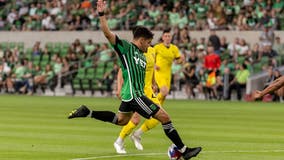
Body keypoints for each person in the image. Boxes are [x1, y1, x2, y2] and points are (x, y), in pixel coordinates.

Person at [67, 1, 201, 159]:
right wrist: (101, 15)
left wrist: (152, 82)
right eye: (148, 42)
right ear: (142, 40)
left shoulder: (143, 56)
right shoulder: (126, 48)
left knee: (121, 120)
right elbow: (107, 33)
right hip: (135, 95)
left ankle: (88, 112)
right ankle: (184, 151)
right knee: (165, 117)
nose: (149, 46)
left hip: (133, 95)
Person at [113, 46, 161, 154]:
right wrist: (119, 88)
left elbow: (151, 67)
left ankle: (137, 134)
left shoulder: (152, 50)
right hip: (136, 90)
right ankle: (119, 141)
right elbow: (121, 70)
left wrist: (154, 82)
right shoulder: (133, 52)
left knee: (159, 116)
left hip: (148, 90)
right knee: (135, 120)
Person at [154, 29, 184, 105]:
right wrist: (154, 65)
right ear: (162, 37)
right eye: (166, 36)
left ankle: (155, 114)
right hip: (159, 73)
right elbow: (150, 58)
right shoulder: (157, 47)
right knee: (164, 91)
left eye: (169, 36)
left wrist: (181, 60)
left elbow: (178, 61)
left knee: (164, 95)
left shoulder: (174, 48)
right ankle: (151, 104)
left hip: (168, 74)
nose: (167, 38)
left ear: (171, 38)